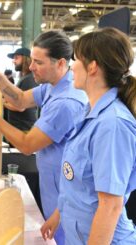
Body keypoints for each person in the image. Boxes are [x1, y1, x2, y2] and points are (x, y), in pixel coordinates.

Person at [0, 30, 88, 245]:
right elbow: (21, 99)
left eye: (38, 62)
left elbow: (26, 145)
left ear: (60, 63)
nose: (31, 67)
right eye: (32, 60)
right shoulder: (54, 86)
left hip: (65, 194)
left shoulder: (66, 102)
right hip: (53, 187)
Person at [41, 27, 136, 244]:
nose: (71, 66)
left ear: (92, 66)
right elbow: (79, 185)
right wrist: (58, 215)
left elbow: (110, 206)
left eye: (75, 59)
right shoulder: (89, 113)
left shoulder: (112, 124)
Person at [5, 47, 37, 131]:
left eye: (16, 58)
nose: (13, 61)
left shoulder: (29, 79)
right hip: (20, 127)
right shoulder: (25, 78)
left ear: (26, 59)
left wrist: (2, 102)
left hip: (23, 128)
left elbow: (20, 107)